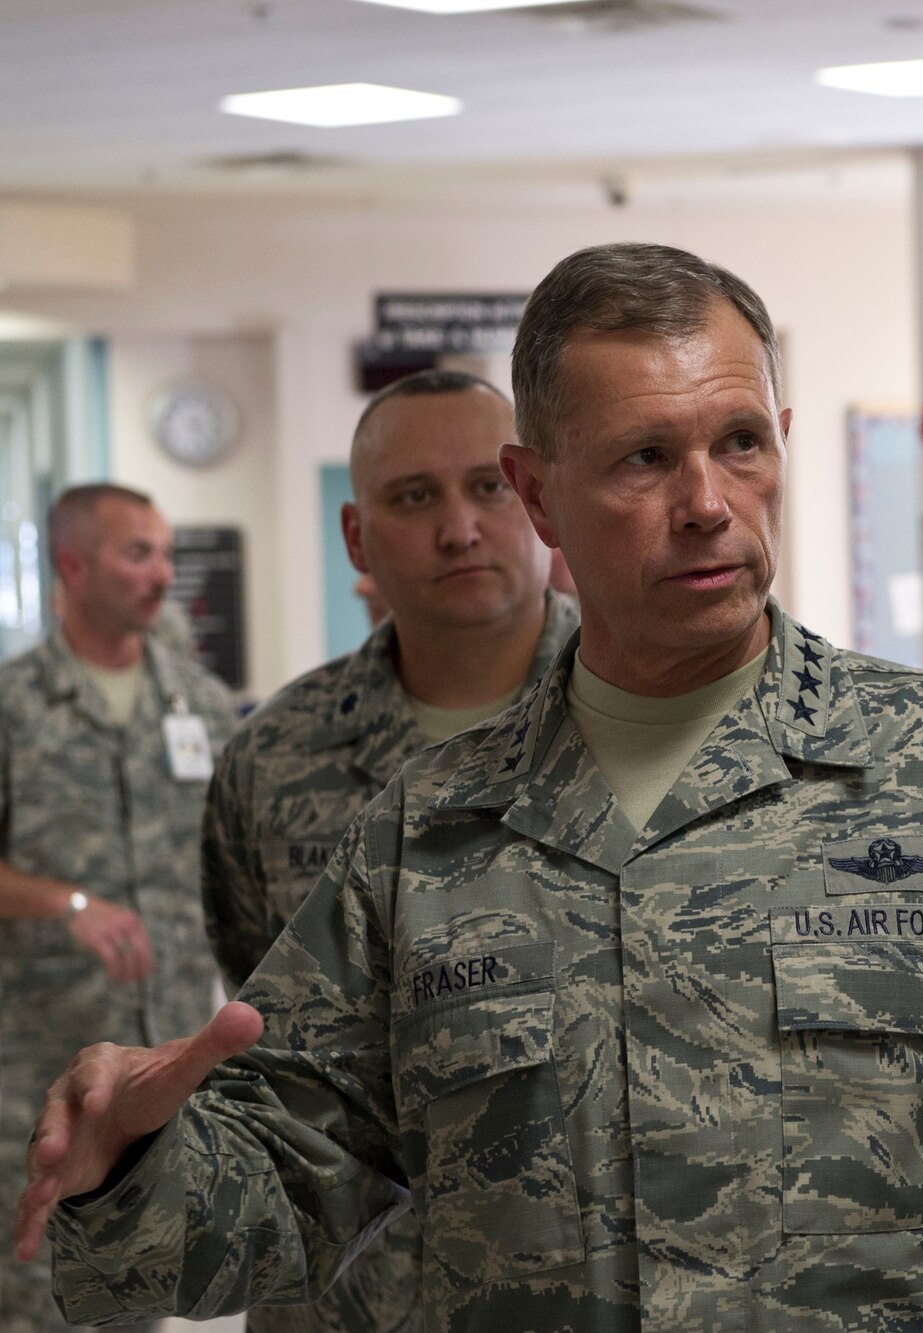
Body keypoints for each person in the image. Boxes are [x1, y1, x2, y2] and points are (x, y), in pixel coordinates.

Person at [16, 243, 923, 1331]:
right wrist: (127, 1168)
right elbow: (271, 1198)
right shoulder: (429, 835)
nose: (706, 504)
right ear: (537, 494)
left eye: (740, 443)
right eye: (641, 458)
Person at [201, 369, 579, 1333]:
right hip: (347, 1297)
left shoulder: (646, 719)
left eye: (489, 487)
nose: (459, 528)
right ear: (357, 537)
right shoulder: (273, 758)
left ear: (540, 499)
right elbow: (264, 1014)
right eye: (414, 497)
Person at [0, 484, 238, 1333]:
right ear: (73, 565)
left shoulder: (202, 704)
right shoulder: (15, 705)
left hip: (160, 1062)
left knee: (140, 1285)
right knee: (36, 1292)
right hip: (39, 1068)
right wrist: (63, 901)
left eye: (167, 553)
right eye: (138, 553)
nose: (163, 573)